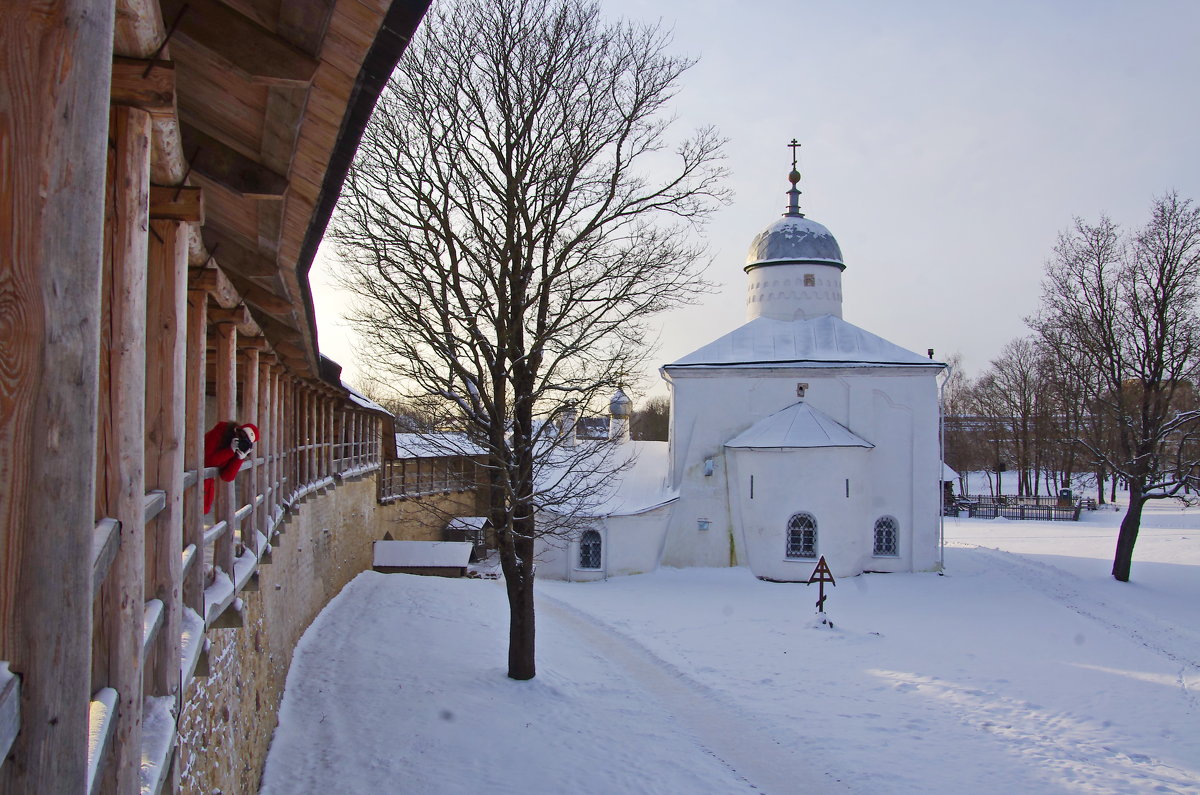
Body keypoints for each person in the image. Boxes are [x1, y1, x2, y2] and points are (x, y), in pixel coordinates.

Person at [203, 421, 259, 514]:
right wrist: (230, 451)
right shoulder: (221, 432)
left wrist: (239, 459)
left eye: (246, 440)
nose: (241, 440)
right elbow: (208, 461)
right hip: (195, 475)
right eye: (241, 435)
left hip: (206, 483)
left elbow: (227, 477)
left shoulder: (237, 449)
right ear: (236, 430)